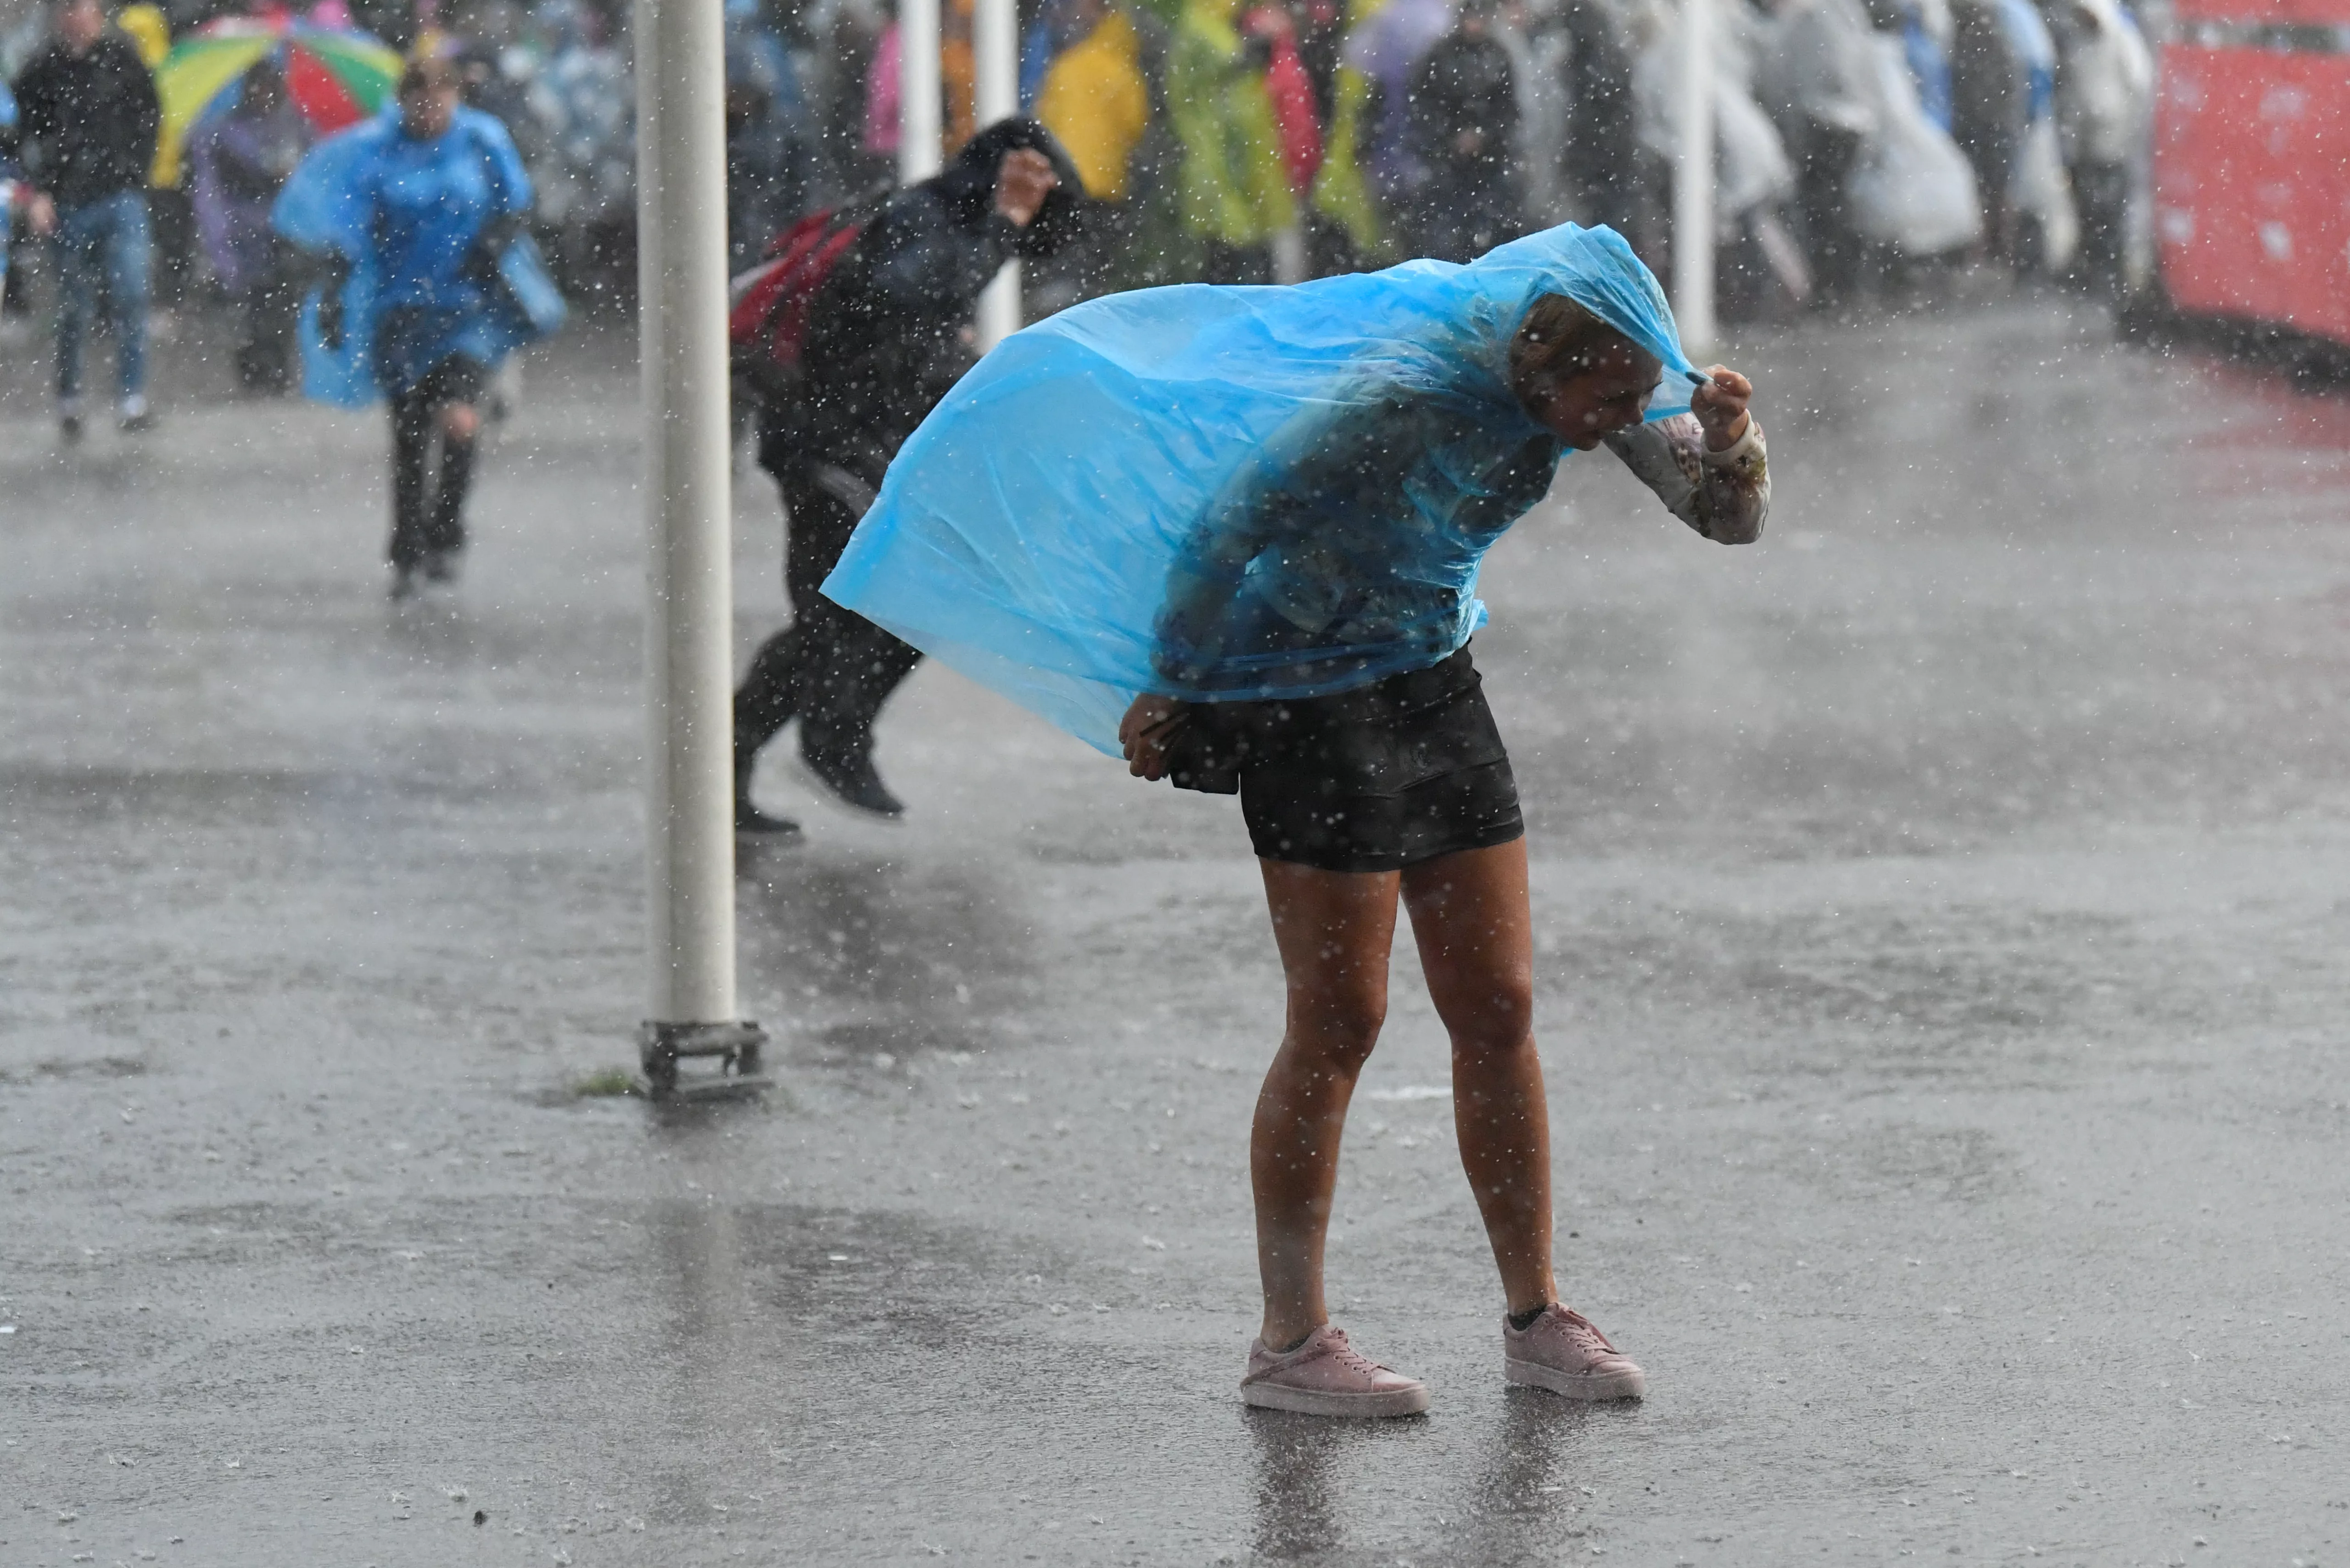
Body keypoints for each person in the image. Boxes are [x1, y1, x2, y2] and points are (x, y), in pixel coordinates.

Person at [819, 224, 1769, 1414]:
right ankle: (1290, 1345)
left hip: (1432, 681)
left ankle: (1536, 1317)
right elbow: (1226, 535)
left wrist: (1729, 441)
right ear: (1539, 357)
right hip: (1301, 697)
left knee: (1498, 1002)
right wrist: (1169, 683)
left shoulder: (1605, 380)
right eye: (1602, 395)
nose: (1612, 420)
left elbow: (1726, 519)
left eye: (1636, 397)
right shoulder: (1396, 401)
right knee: (1340, 1020)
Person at [731, 119, 1084, 832]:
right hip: (829, 445)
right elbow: (895, 303)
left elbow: (899, 330)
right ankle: (813, 744)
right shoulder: (923, 220)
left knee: (903, 604)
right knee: (846, 616)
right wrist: (1002, 228)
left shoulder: (927, 219)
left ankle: (794, 748)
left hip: (848, 442)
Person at [273, 56, 551, 598]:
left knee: (460, 419)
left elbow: (515, 202)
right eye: (419, 101)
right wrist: (333, 292)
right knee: (408, 433)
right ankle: (406, 549)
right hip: (400, 312)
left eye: (440, 99)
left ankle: (447, 530)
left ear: (454, 98)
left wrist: (493, 244)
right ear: (402, 102)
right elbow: (349, 225)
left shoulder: (481, 140)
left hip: (467, 310)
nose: (430, 111)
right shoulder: (376, 152)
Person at [11, 0, 163, 438]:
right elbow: (23, 136)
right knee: (74, 306)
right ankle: (70, 398)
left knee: (131, 292)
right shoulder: (42, 72)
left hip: (120, 194)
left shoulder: (122, 60)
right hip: (68, 201)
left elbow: (149, 115)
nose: (78, 19)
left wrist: (135, 169)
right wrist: (38, 191)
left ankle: (132, 397)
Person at [187, 62, 309, 393]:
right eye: (258, 87)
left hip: (286, 228)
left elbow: (312, 170)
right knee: (257, 300)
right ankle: (259, 365)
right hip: (246, 229)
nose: (263, 95)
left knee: (283, 301)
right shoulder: (225, 130)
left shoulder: (296, 125)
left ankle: (277, 365)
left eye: (270, 88)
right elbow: (212, 183)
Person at [1404, 0, 1522, 261]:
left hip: (1489, 168)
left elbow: (1508, 110)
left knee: (1490, 238)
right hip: (1447, 168)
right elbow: (1424, 108)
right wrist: (1450, 139)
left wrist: (1485, 136)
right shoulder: (1440, 56)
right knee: (1446, 241)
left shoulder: (1498, 55)